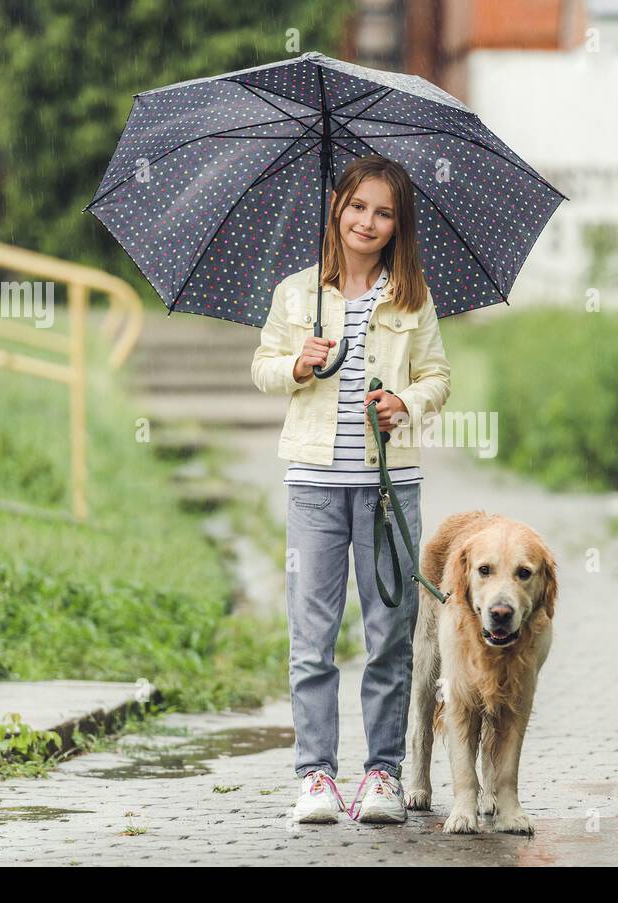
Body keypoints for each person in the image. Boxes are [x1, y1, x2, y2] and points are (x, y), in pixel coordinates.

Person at [250, 155, 451, 824]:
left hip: (389, 489)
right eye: (358, 206)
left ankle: (383, 776)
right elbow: (262, 368)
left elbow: (438, 378)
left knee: (389, 634)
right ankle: (315, 778)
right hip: (314, 485)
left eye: (384, 211)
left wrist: (405, 402)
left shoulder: (411, 297)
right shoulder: (296, 293)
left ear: (398, 225)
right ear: (337, 208)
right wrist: (295, 365)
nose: (368, 221)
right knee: (311, 637)